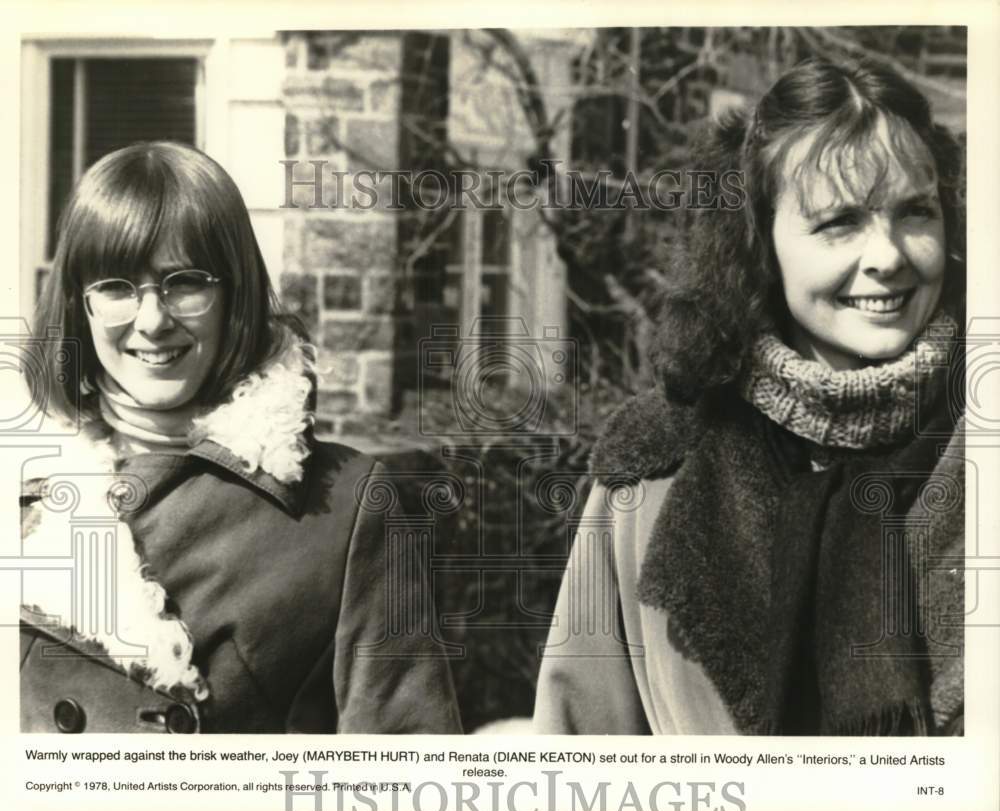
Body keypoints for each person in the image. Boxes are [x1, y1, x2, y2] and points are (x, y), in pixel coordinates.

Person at [533, 57, 965, 736]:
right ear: (760, 242)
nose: (888, 255)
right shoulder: (650, 476)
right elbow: (577, 763)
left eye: (916, 212)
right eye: (839, 222)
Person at [20, 141, 462, 734]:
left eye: (186, 282)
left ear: (235, 294)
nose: (152, 320)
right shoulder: (20, 478)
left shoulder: (344, 506)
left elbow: (407, 769)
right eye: (118, 286)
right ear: (79, 303)